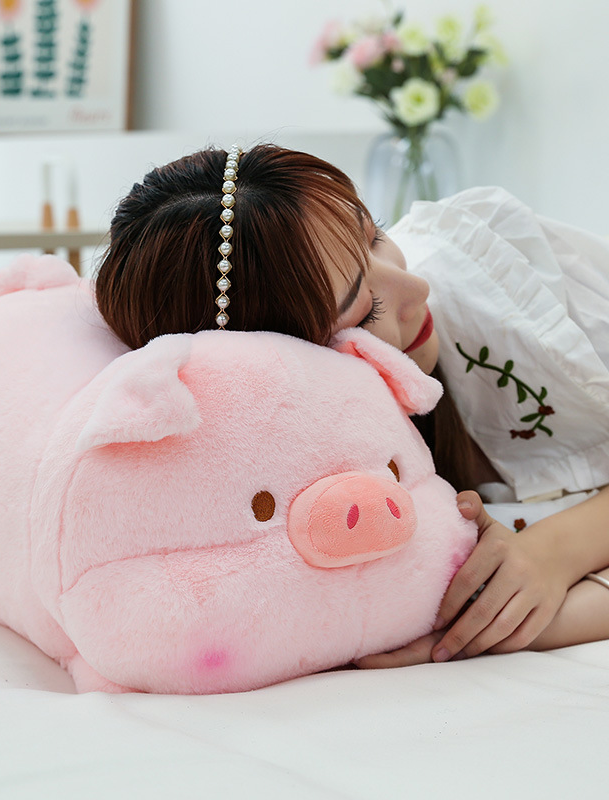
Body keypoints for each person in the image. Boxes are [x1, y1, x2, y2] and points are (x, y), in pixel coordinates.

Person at [95, 143, 609, 667]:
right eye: (365, 313)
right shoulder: (276, 488)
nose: (417, 288)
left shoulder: (503, 271)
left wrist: (555, 552)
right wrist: (509, 619)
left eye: (375, 234)